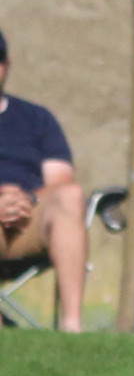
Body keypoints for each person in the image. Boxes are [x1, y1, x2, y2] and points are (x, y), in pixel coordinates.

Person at [0, 26, 91, 332]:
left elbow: (61, 180)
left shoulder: (36, 119)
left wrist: (24, 200)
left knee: (70, 196)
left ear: (7, 65)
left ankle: (72, 329)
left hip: (28, 220)